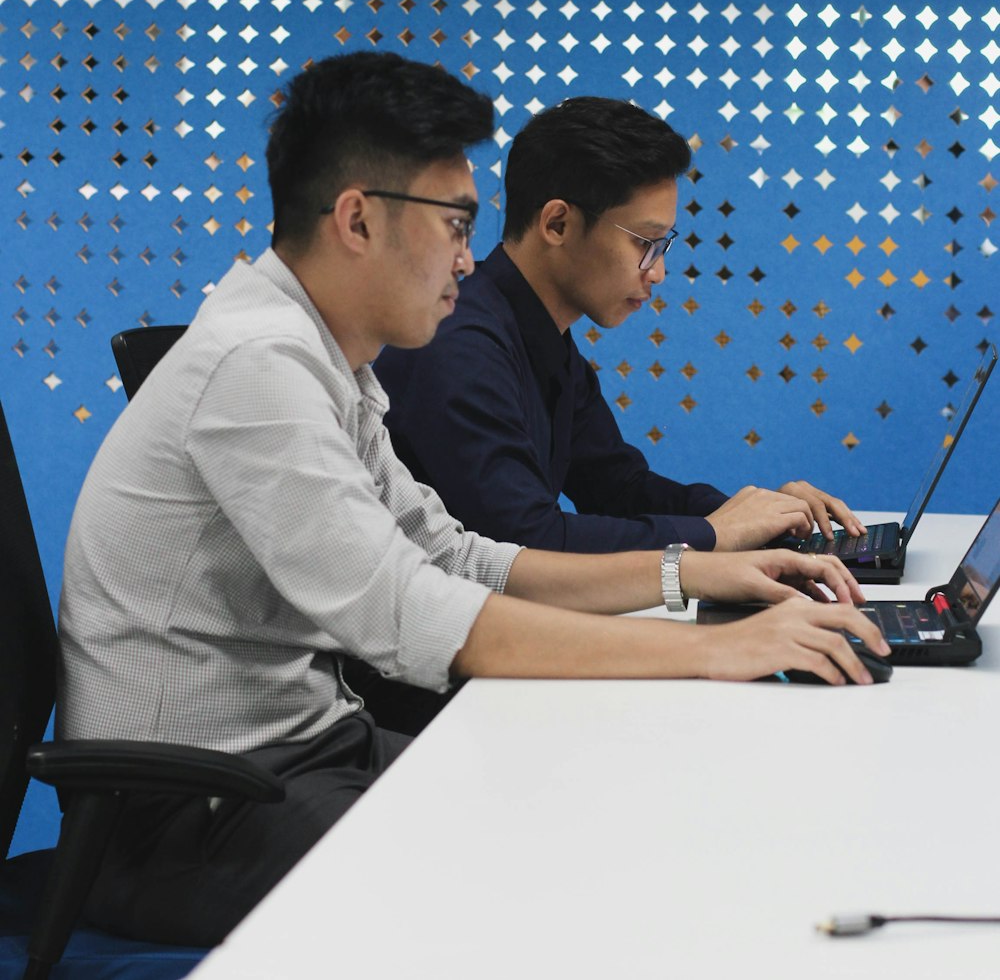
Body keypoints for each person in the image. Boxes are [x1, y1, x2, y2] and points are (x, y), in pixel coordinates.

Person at [57, 53, 887, 949]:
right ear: (358, 220)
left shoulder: (329, 360)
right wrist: (710, 651)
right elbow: (407, 610)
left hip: (302, 759)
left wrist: (696, 574)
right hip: (194, 810)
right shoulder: (257, 364)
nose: (467, 256)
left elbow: (461, 557)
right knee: (538, 893)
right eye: (453, 223)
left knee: (607, 814)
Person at [377, 95, 864, 553]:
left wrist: (758, 516)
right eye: (644, 242)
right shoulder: (460, 345)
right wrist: (714, 535)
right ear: (558, 225)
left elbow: (616, 487)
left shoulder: (546, 340)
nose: (657, 272)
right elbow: (524, 542)